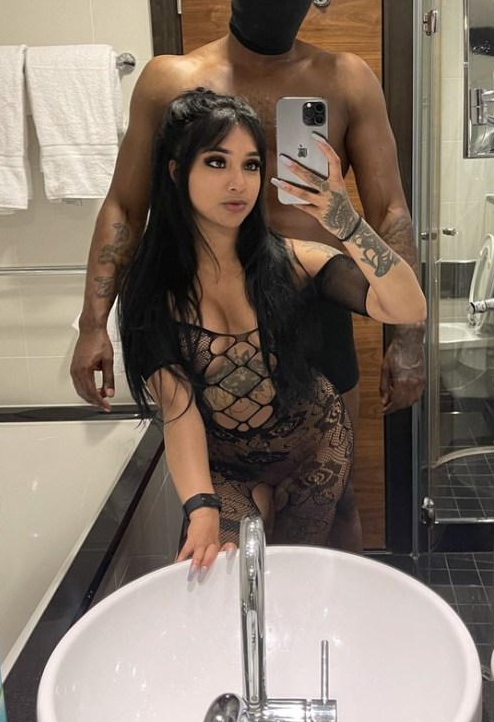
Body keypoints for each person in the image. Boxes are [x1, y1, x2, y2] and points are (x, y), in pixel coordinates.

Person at [71, 0, 425, 553]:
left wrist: (408, 340)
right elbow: (125, 205)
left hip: (316, 300)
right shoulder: (172, 79)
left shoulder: (345, 78)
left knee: (334, 491)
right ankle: (239, 607)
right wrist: (93, 322)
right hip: (207, 310)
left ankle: (330, 611)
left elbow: (392, 212)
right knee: (214, 490)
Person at [118, 89, 426, 574]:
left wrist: (347, 223)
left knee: (290, 576)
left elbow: (407, 305)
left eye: (251, 165)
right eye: (216, 162)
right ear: (177, 172)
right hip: (223, 461)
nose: (238, 183)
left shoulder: (293, 260)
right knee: (226, 577)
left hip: (313, 446)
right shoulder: (151, 288)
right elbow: (178, 408)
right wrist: (200, 507)